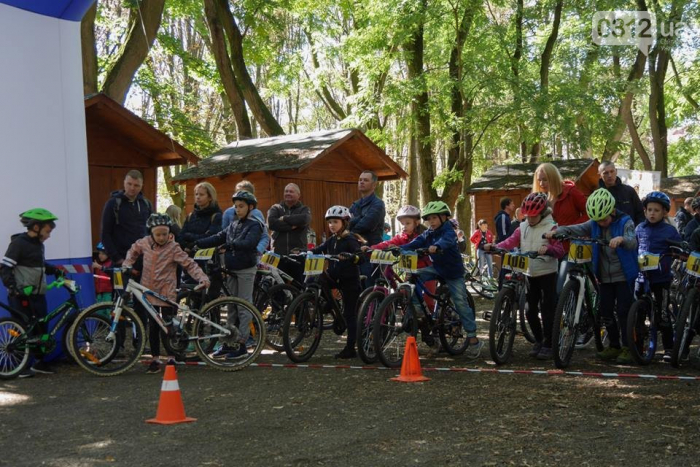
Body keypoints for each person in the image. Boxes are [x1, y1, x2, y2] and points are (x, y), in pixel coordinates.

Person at [545, 188, 639, 364]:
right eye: (597, 220)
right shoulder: (595, 223)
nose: (601, 223)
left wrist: (621, 240)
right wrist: (558, 231)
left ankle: (628, 346)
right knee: (606, 311)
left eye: (604, 219)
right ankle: (614, 345)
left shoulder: (625, 221)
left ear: (611, 210)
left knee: (623, 312)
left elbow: (632, 240)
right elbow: (578, 228)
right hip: (604, 276)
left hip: (623, 275)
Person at [123, 214, 210, 373]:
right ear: (151, 233)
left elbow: (189, 264)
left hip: (167, 292)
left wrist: (202, 277)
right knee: (153, 327)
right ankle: (155, 359)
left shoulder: (173, 247)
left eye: (165, 234)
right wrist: (127, 264)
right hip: (148, 292)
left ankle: (171, 357)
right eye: (158, 234)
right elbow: (133, 251)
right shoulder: (144, 243)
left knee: (168, 326)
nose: (162, 237)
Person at [485, 193, 564, 360]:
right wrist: (495, 247)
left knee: (547, 309)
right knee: (529, 310)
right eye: (528, 215)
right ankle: (539, 339)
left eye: (534, 216)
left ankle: (549, 343)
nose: (531, 219)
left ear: (542, 213)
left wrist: (548, 249)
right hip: (530, 273)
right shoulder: (523, 226)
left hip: (547, 273)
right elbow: (510, 242)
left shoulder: (552, 227)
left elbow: (560, 251)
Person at [401, 201, 483, 358]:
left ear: (444, 217)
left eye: (434, 218)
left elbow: (446, 241)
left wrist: (437, 246)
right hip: (436, 269)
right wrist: (400, 249)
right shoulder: (430, 232)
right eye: (429, 219)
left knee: (460, 302)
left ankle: (473, 338)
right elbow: (417, 242)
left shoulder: (449, 231)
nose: (431, 222)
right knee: (414, 275)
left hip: (453, 273)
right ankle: (418, 308)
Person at [196, 191, 264, 360]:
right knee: (231, 306)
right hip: (231, 269)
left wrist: (230, 245)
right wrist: (197, 242)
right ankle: (229, 342)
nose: (237, 209)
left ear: (251, 207)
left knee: (243, 305)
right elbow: (218, 236)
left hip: (246, 269)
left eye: (241, 206)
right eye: (236, 206)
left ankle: (242, 344)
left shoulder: (254, 225)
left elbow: (249, 243)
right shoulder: (234, 224)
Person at [0, 209, 63, 377]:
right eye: (48, 231)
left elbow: (39, 265)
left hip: (37, 294)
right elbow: (5, 267)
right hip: (21, 295)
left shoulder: (38, 245)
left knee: (41, 329)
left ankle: (40, 363)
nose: (49, 235)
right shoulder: (19, 243)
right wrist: (13, 287)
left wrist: (53, 270)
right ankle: (20, 367)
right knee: (23, 330)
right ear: (36, 227)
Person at [312, 206, 365, 359]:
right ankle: (329, 304)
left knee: (350, 315)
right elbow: (319, 249)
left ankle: (350, 348)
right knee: (320, 279)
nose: (332, 225)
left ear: (345, 222)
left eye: (335, 222)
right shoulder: (333, 239)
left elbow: (360, 257)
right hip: (335, 277)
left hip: (349, 280)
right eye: (329, 222)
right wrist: (305, 252)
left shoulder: (350, 239)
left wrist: (351, 257)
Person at [635, 191, 680, 362]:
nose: (652, 213)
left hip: (660, 279)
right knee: (638, 314)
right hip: (641, 278)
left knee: (662, 314)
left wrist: (678, 251)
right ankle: (638, 346)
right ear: (645, 211)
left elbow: (678, 248)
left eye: (656, 210)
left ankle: (669, 348)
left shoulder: (669, 231)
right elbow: (634, 247)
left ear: (664, 212)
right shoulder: (640, 229)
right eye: (650, 210)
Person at [533, 162, 588, 295]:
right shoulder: (541, 198)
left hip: (571, 247)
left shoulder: (571, 192)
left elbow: (589, 212)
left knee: (560, 288)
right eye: (539, 180)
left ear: (553, 178)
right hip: (549, 248)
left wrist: (571, 229)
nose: (541, 183)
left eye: (545, 179)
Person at [100, 170, 153, 266]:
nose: (132, 188)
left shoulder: (146, 204)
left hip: (143, 260)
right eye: (129, 184)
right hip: (121, 259)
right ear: (124, 183)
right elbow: (105, 234)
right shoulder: (113, 204)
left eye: (136, 185)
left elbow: (152, 231)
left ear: (142, 186)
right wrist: (117, 259)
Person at [267, 183, 311, 283]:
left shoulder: (304, 209)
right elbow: (272, 223)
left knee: (298, 286)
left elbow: (304, 219)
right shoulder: (275, 208)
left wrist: (284, 218)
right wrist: (292, 226)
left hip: (298, 255)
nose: (288, 193)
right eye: (286, 191)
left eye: (291, 191)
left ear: (298, 195)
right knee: (279, 288)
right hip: (279, 255)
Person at [349, 170, 386, 286]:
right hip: (356, 251)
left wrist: (352, 226)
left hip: (371, 251)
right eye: (360, 180)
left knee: (370, 288)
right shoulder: (355, 205)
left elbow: (367, 224)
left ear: (374, 185)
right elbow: (346, 224)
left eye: (365, 180)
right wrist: (359, 218)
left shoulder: (378, 204)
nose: (361, 182)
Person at [222, 180, 269, 255]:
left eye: (245, 193)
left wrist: (257, 251)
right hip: (232, 256)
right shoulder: (228, 213)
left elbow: (264, 237)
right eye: (238, 192)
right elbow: (223, 236)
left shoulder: (257, 213)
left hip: (251, 256)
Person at [177, 182, 223, 253]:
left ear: (210, 197)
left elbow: (211, 238)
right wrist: (186, 246)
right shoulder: (190, 216)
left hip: (207, 257)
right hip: (188, 255)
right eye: (196, 194)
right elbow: (181, 235)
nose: (198, 197)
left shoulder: (216, 216)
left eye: (201, 194)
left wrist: (190, 238)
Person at [598, 161, 645, 225]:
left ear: (616, 171)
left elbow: (640, 214)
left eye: (612, 171)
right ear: (600, 175)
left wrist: (637, 230)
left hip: (630, 232)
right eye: (605, 173)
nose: (609, 175)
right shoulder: (597, 195)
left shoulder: (629, 191)